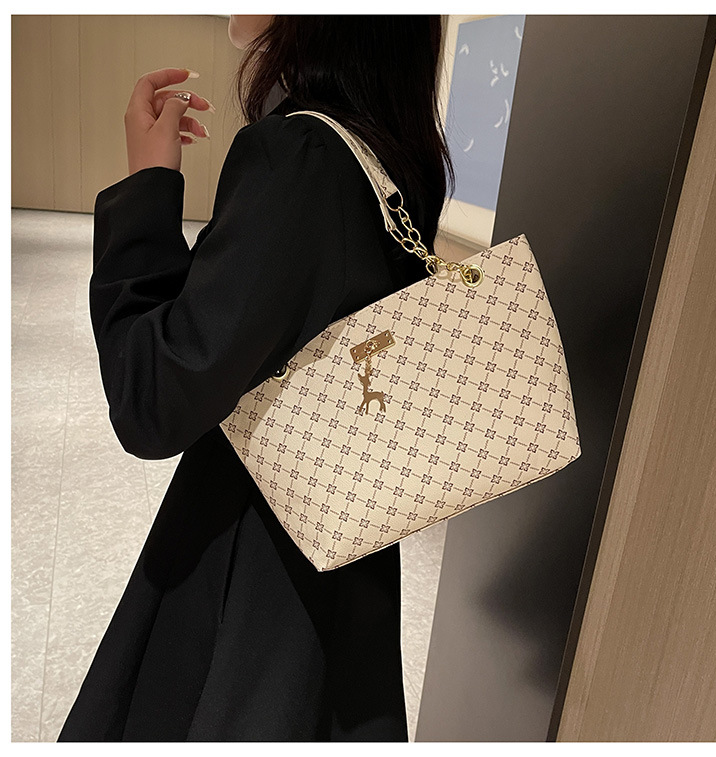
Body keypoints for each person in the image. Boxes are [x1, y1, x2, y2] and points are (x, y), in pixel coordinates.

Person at [57, 14, 455, 742]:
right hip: (342, 549)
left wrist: (147, 184)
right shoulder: (395, 153)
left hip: (250, 565)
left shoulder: (299, 156)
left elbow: (152, 399)